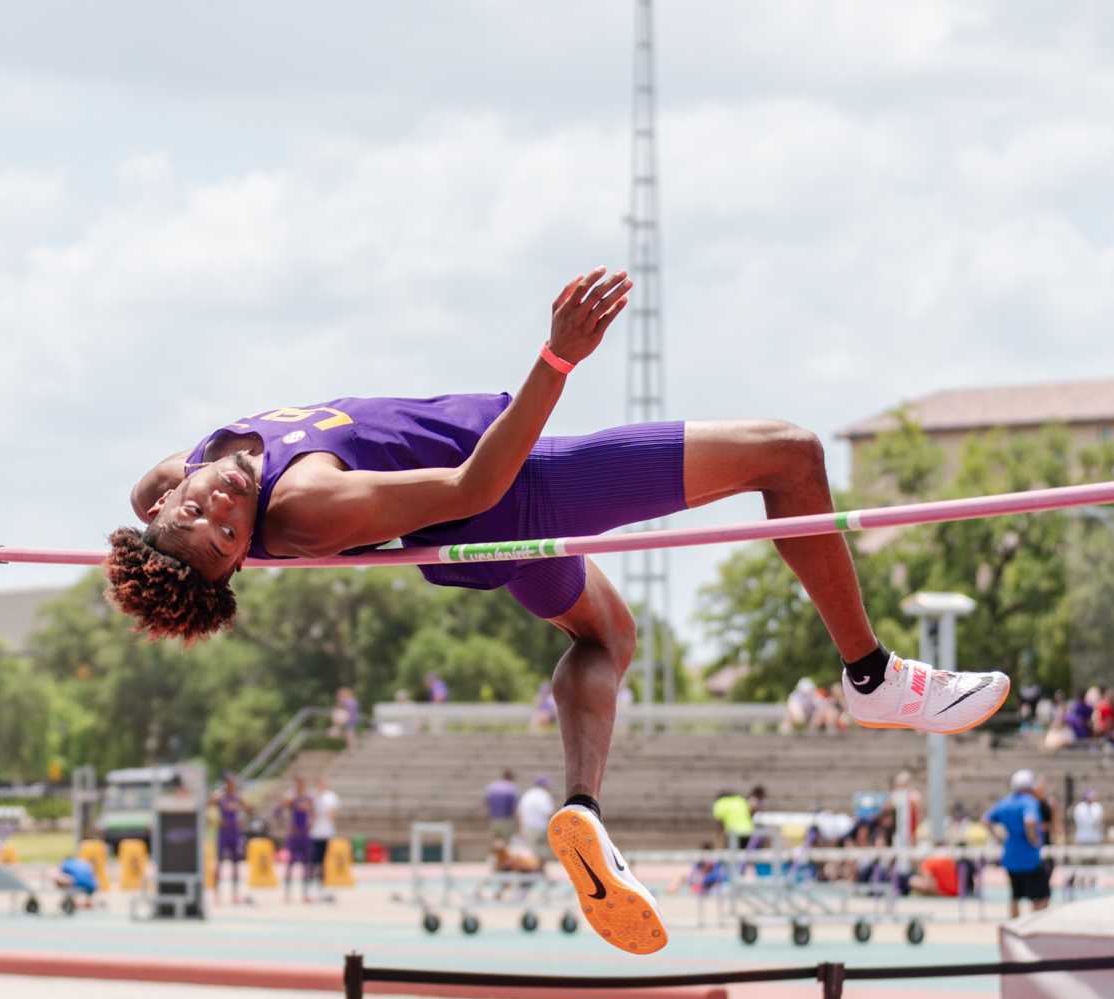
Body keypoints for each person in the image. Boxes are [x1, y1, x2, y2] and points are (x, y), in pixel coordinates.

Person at [103, 268, 1008, 955]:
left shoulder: (177, 477)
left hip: (495, 543)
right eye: (227, 537)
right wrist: (557, 358)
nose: (220, 508)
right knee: (789, 454)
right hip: (521, 492)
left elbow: (156, 503)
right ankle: (870, 674)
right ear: (239, 569)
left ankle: (582, 809)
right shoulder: (303, 509)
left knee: (608, 635)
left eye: (201, 516)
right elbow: (474, 482)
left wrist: (165, 504)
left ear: (163, 507)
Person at [987, 769, 1050, 916]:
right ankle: (1035, 927)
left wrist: (998, 837)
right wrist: (1033, 839)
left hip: (1010, 856)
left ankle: (1014, 927)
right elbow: (1030, 821)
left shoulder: (1005, 802)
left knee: (1015, 895)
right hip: (1029, 857)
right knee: (1040, 896)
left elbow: (986, 819)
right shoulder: (1029, 802)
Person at [212, 775, 251, 904]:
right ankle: (216, 894)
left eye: (233, 783)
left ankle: (235, 894)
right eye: (229, 783)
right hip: (223, 833)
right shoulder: (220, 797)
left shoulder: (237, 798)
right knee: (219, 863)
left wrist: (242, 818)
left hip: (235, 833)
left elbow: (249, 809)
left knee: (235, 864)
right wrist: (215, 820)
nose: (231, 785)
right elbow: (208, 806)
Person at [307, 777, 340, 902]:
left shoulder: (330, 797)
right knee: (313, 860)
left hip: (325, 833)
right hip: (314, 833)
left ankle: (321, 886)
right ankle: (310, 886)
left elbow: (331, 814)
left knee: (323, 861)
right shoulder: (313, 796)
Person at [281, 778, 314, 904]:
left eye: (302, 784)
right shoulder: (292, 799)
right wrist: (287, 825)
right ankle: (287, 893)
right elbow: (280, 810)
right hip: (294, 835)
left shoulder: (308, 799)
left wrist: (311, 822)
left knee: (306, 865)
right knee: (290, 864)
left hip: (304, 835)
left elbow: (312, 813)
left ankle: (305, 893)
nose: (300, 786)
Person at [516, 775, 556, 870]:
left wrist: (521, 827)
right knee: (541, 851)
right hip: (540, 827)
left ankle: (532, 873)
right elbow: (548, 812)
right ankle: (540, 872)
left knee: (531, 851)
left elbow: (519, 812)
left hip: (527, 827)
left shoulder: (527, 794)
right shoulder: (543, 795)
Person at [484, 770, 520, 845]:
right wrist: (518, 822)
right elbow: (514, 806)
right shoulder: (511, 788)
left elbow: (486, 802)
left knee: (496, 841)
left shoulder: (492, 787)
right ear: (511, 778)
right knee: (506, 843)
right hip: (507, 820)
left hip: (494, 819)